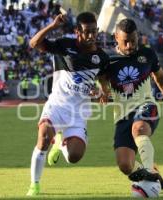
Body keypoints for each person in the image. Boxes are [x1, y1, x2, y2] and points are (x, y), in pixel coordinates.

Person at [26, 11, 109, 196]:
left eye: (94, 31)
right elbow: (34, 43)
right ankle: (35, 184)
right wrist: (53, 27)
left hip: (78, 113)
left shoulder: (101, 57)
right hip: (57, 106)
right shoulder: (65, 46)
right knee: (44, 135)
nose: (91, 36)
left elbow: (103, 78)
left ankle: (59, 143)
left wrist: (104, 92)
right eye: (87, 32)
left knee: (74, 156)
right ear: (77, 31)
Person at [98, 19, 163, 190]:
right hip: (122, 115)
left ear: (138, 37)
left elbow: (159, 76)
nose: (130, 46)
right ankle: (154, 172)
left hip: (146, 106)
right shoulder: (107, 59)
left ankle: (149, 175)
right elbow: (102, 78)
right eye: (125, 42)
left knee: (139, 129)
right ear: (116, 38)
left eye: (133, 41)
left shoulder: (147, 54)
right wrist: (104, 91)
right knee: (125, 165)